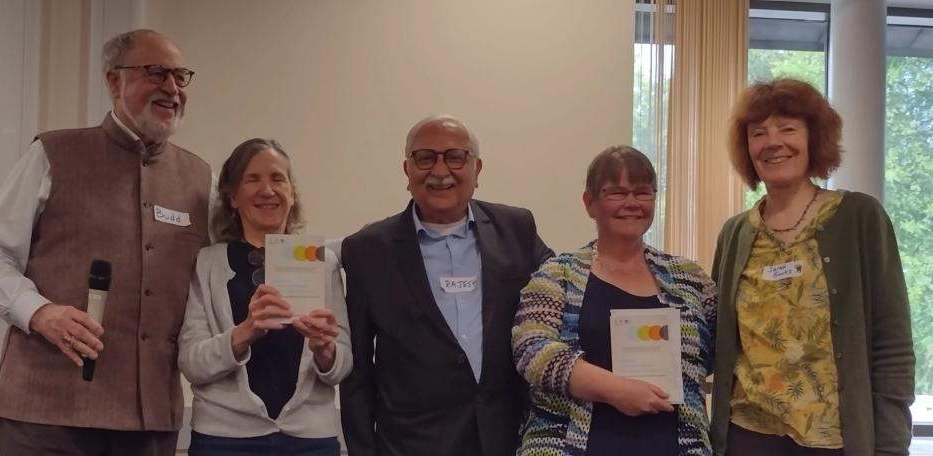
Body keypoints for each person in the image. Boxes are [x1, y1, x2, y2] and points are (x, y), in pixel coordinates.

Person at [0, 29, 211, 455]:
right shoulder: (52, 155)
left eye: (180, 76)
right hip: (48, 413)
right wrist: (40, 312)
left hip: (149, 418)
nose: (172, 87)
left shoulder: (201, 179)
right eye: (156, 72)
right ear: (114, 82)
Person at [710, 78, 915, 456]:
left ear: (814, 138)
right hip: (748, 435)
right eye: (759, 133)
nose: (773, 142)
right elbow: (716, 335)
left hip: (835, 440)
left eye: (788, 128)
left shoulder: (859, 217)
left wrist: (890, 445)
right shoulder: (735, 234)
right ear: (747, 148)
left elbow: (892, 343)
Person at [339, 115, 554, 456]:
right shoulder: (367, 250)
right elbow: (358, 372)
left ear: (477, 169)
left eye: (455, 157)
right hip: (411, 445)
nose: (440, 171)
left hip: (506, 439)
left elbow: (560, 295)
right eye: (425, 157)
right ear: (407, 170)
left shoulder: (516, 229)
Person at [512, 145, 717, 455]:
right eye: (617, 193)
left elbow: (720, 347)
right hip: (570, 447)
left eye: (643, 192)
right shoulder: (558, 274)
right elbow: (532, 350)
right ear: (589, 202)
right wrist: (617, 390)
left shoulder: (690, 277)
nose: (632, 203)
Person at [178, 138, 351, 455]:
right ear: (232, 196)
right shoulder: (208, 263)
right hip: (224, 439)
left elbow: (342, 366)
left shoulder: (322, 264)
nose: (267, 190)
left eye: (277, 178)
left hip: (309, 440)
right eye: (252, 179)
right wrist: (245, 332)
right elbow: (191, 363)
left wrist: (325, 349)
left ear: (292, 192)